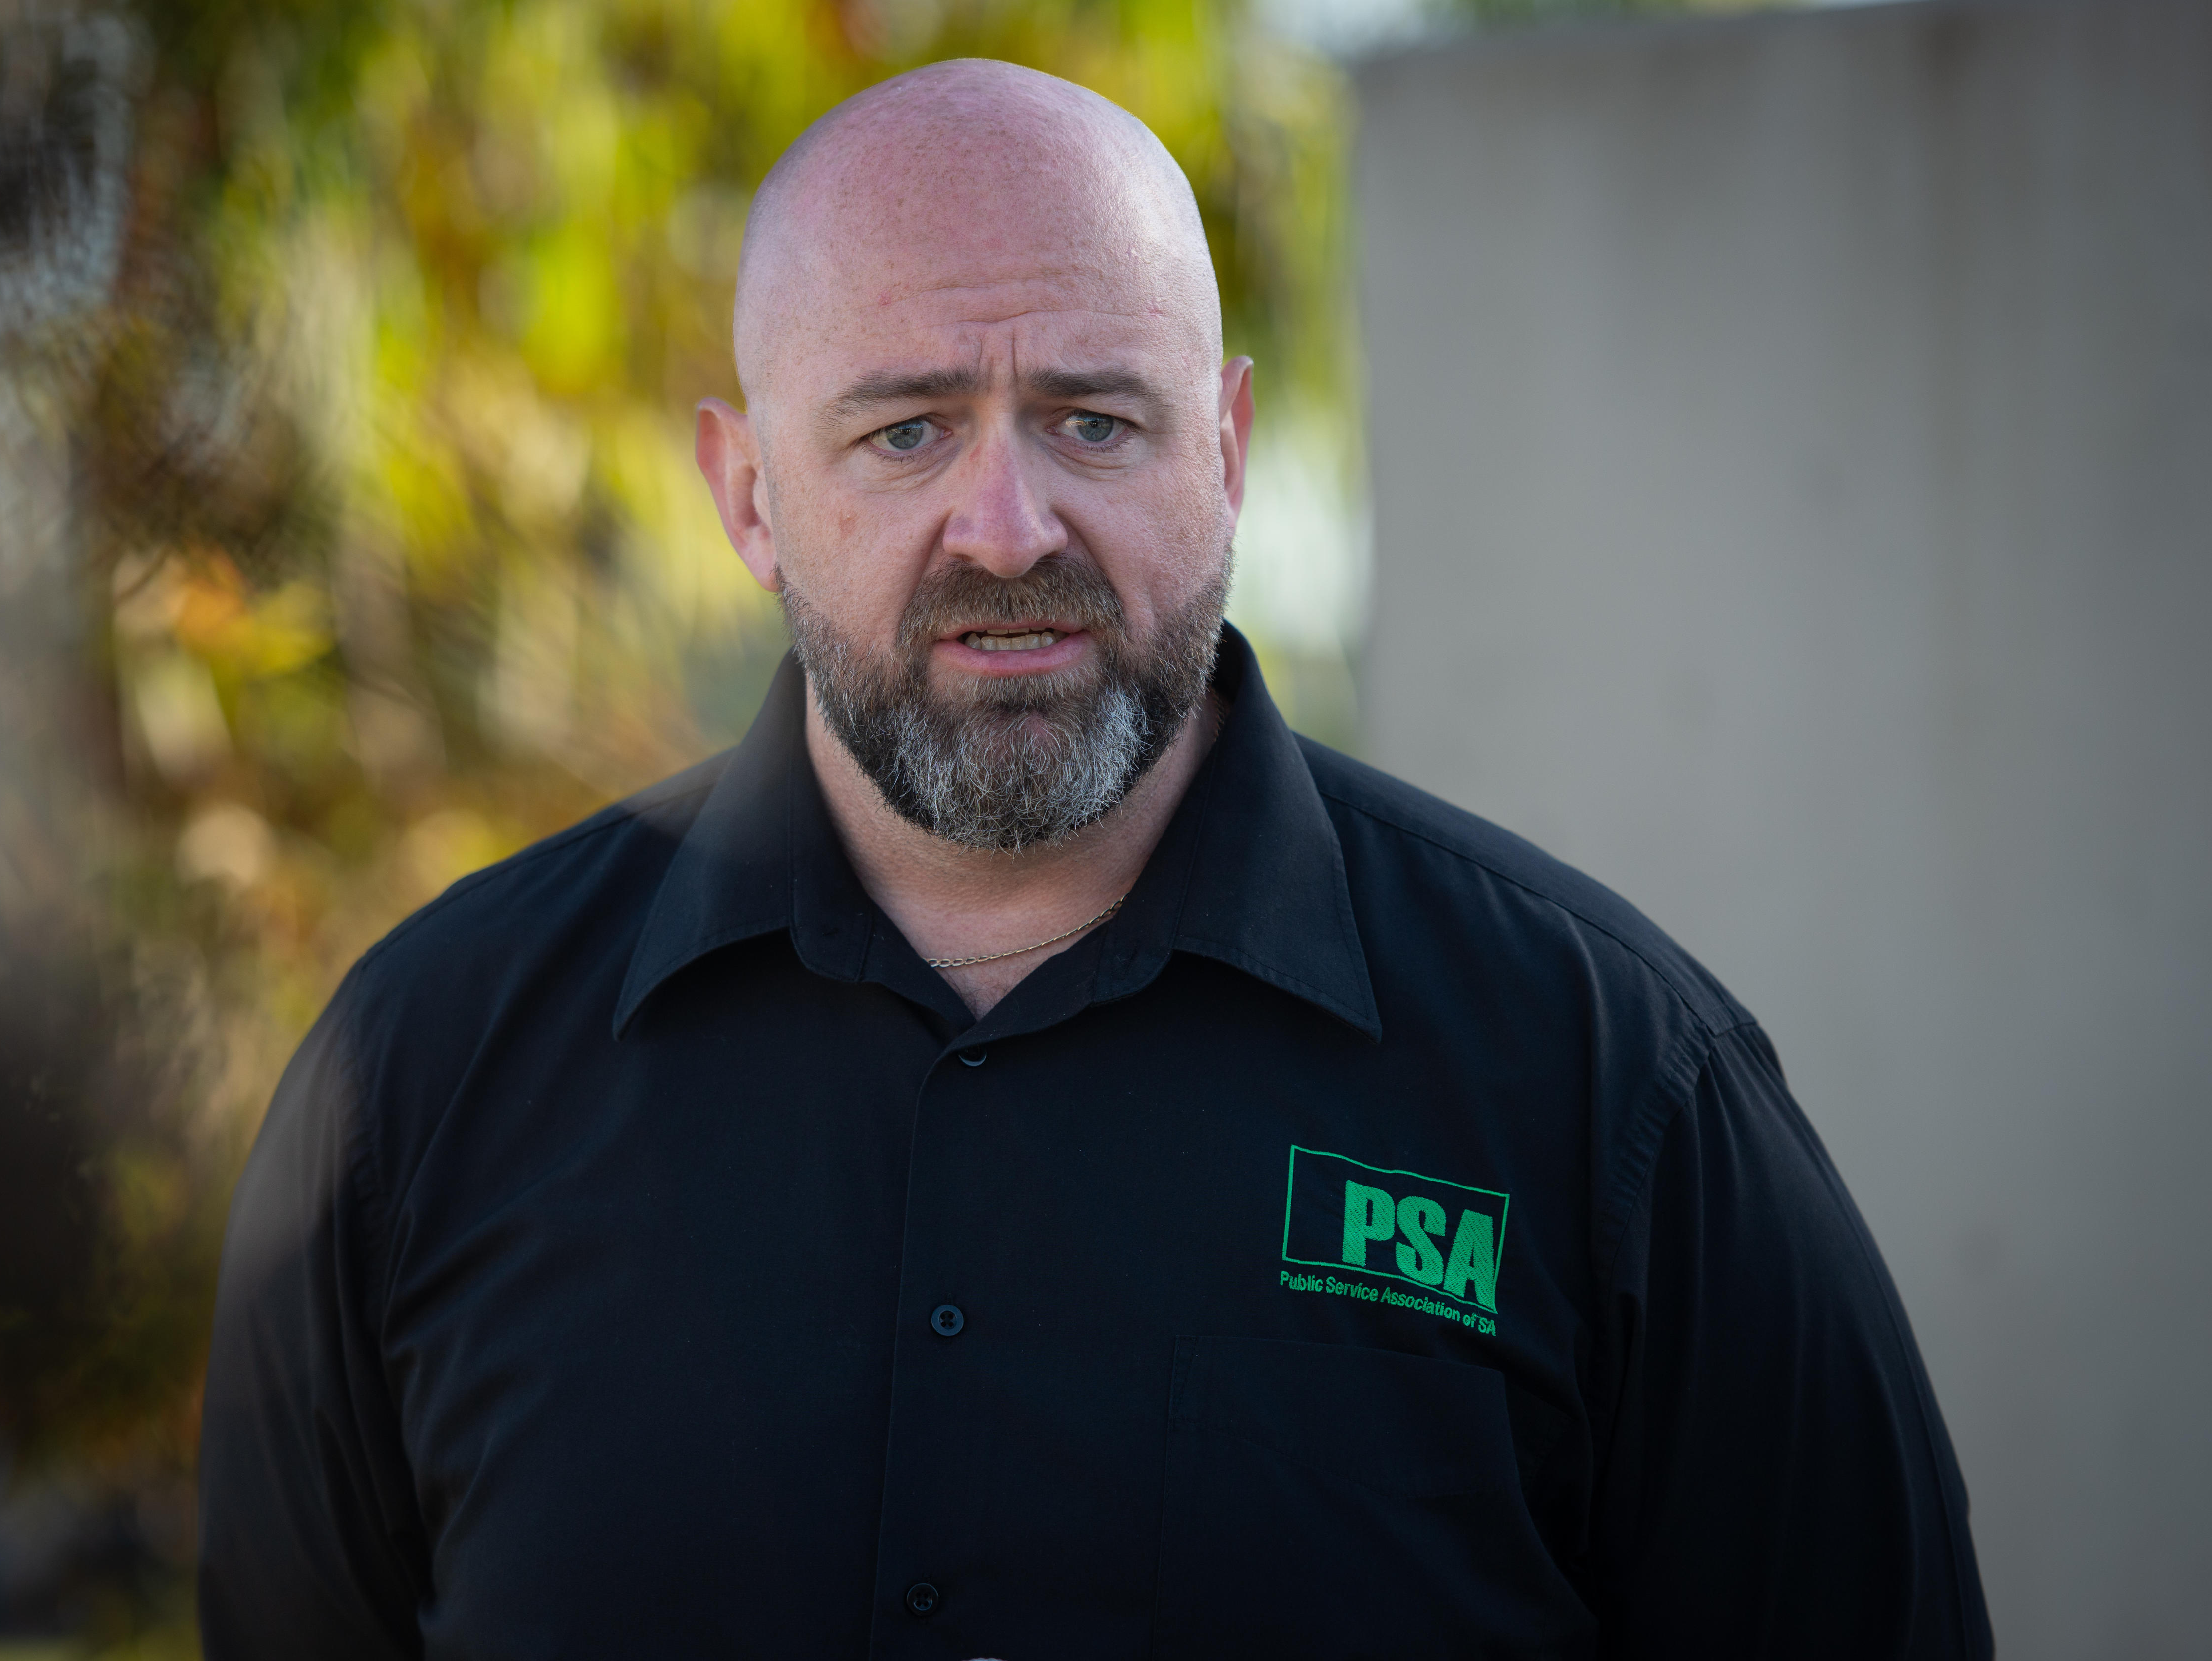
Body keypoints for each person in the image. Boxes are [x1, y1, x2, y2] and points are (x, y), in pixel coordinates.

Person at [197, 59, 1990, 1660]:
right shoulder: (419, 1080)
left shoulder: (1614, 1089)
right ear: (748, 496)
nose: (1006, 526)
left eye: (1093, 420)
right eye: (905, 431)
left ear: (1223, 446)